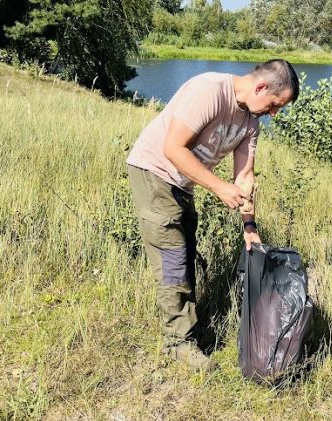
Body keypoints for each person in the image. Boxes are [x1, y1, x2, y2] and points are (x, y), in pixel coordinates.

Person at [126, 59, 299, 371]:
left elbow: (244, 178)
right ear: (260, 87)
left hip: (183, 183)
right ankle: (178, 344)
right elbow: (173, 148)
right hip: (153, 171)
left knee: (186, 253)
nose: (274, 113)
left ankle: (186, 327)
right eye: (274, 104)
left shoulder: (251, 123)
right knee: (172, 259)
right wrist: (219, 187)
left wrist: (249, 226)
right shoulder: (209, 91)